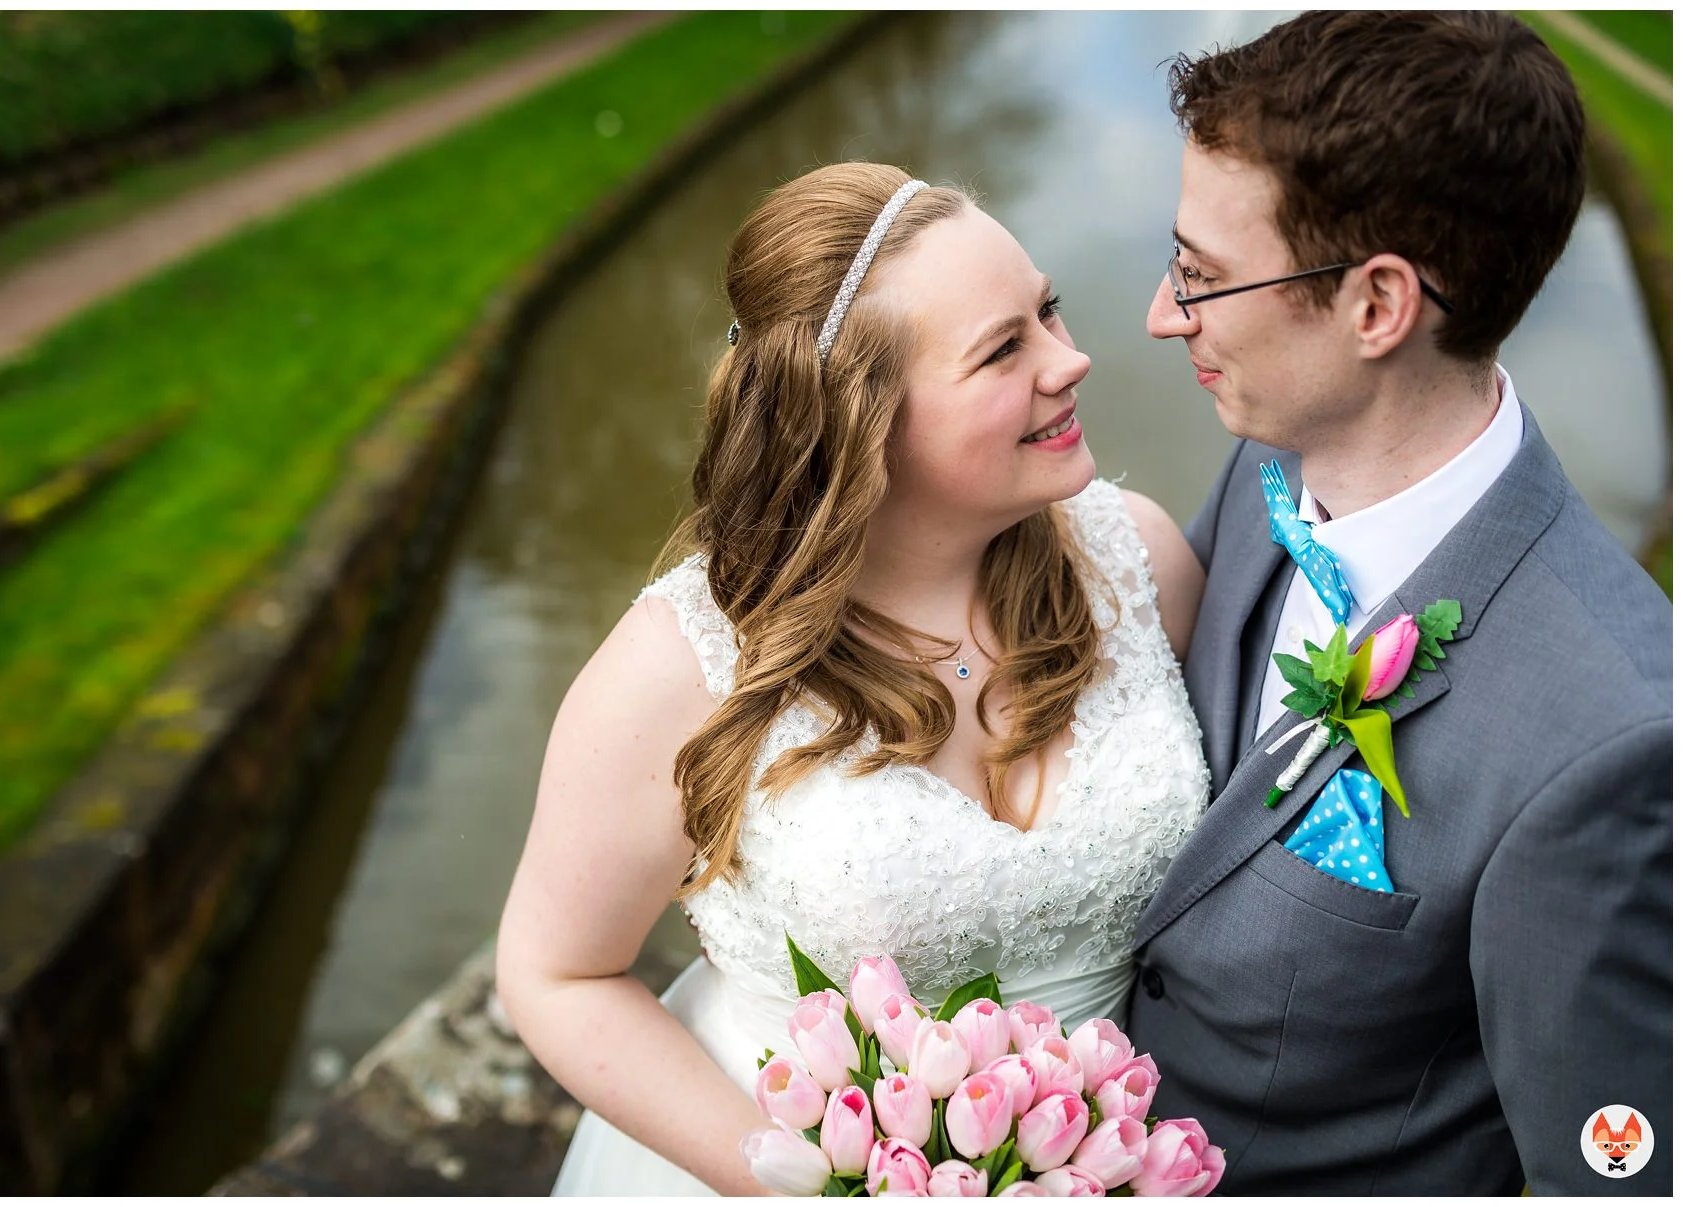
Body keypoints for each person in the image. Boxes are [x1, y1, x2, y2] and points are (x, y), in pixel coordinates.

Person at [495, 161, 1212, 1195]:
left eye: (1047, 310)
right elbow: (557, 975)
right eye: (1003, 349)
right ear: (861, 421)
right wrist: (808, 1185)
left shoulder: (1137, 564)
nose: (1071, 359)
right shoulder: (681, 665)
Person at [1127, 11, 1672, 1196]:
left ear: (1376, 306)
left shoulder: (1611, 743)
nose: (1165, 315)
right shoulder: (1269, 455)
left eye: (1203, 277)